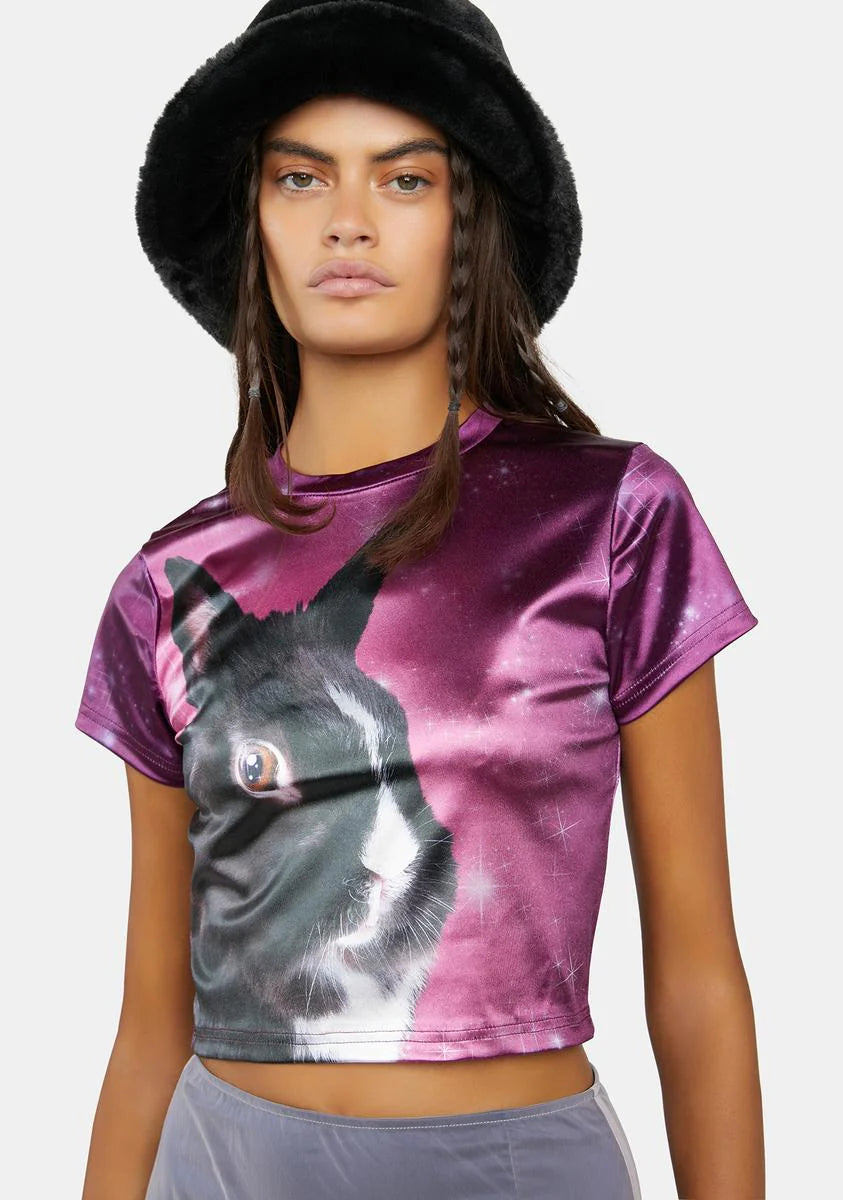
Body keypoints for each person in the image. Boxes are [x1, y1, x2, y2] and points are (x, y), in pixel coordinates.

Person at [74, 2, 764, 1198]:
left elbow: (699, 976)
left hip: (513, 1167)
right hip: (222, 1162)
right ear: (252, 221)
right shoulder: (172, 584)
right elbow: (148, 1026)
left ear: (468, 219)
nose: (347, 220)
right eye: (301, 177)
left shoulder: (609, 519)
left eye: (403, 178)